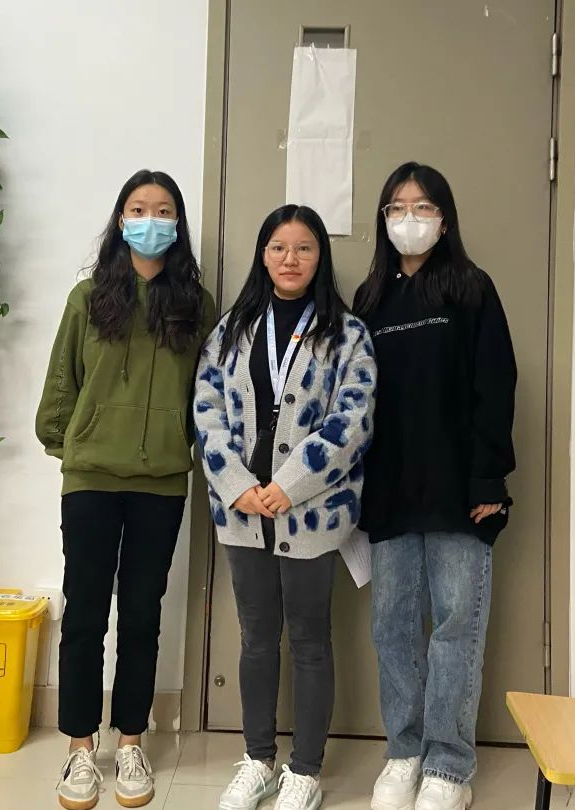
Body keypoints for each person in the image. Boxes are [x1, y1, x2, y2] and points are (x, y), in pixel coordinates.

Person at [35, 169, 216, 810]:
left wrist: (182, 446)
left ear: (178, 224)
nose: (150, 220)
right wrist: (75, 443)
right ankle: (81, 747)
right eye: (139, 209)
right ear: (120, 220)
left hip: (161, 483)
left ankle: (132, 739)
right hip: (90, 479)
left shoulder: (195, 304)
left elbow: (207, 393)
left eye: (163, 210)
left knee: (142, 613)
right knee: (85, 613)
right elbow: (62, 382)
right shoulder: (89, 298)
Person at [194, 204, 377, 810]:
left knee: (310, 641)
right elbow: (206, 412)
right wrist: (237, 484)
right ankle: (258, 760)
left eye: (303, 248)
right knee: (255, 639)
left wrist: (290, 485)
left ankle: (305, 769)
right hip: (243, 512)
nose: (290, 259)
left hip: (311, 514)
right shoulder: (232, 329)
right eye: (278, 247)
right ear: (263, 255)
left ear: (320, 256)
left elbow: (352, 422)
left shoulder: (347, 334)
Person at [353, 163, 517, 810]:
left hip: (459, 488)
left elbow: (495, 386)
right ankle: (404, 753)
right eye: (397, 207)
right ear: (384, 219)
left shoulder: (471, 289)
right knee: (392, 626)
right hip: (388, 488)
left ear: (444, 220)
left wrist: (489, 476)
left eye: (423, 207)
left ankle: (449, 765)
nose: (409, 218)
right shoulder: (370, 299)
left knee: (456, 625)